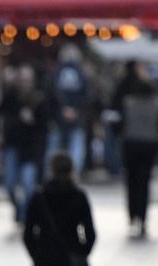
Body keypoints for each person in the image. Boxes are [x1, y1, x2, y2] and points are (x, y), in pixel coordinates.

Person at [119, 66, 158, 238]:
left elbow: (120, 124)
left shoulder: (128, 103)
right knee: (144, 183)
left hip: (131, 145)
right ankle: (143, 217)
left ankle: (133, 215)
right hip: (149, 146)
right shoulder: (157, 104)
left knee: (131, 183)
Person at [0, 65, 49, 223]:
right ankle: (19, 208)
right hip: (12, 146)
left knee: (28, 183)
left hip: (30, 149)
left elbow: (45, 126)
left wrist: (33, 121)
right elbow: (0, 115)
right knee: (9, 183)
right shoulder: (10, 97)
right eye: (22, 80)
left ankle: (26, 214)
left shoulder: (39, 99)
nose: (24, 83)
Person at [48, 45, 92, 177]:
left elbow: (51, 93)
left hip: (58, 117)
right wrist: (75, 110)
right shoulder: (82, 73)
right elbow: (87, 96)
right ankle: (72, 176)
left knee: (55, 148)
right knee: (76, 149)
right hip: (76, 118)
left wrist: (62, 109)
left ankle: (53, 174)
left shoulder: (56, 72)